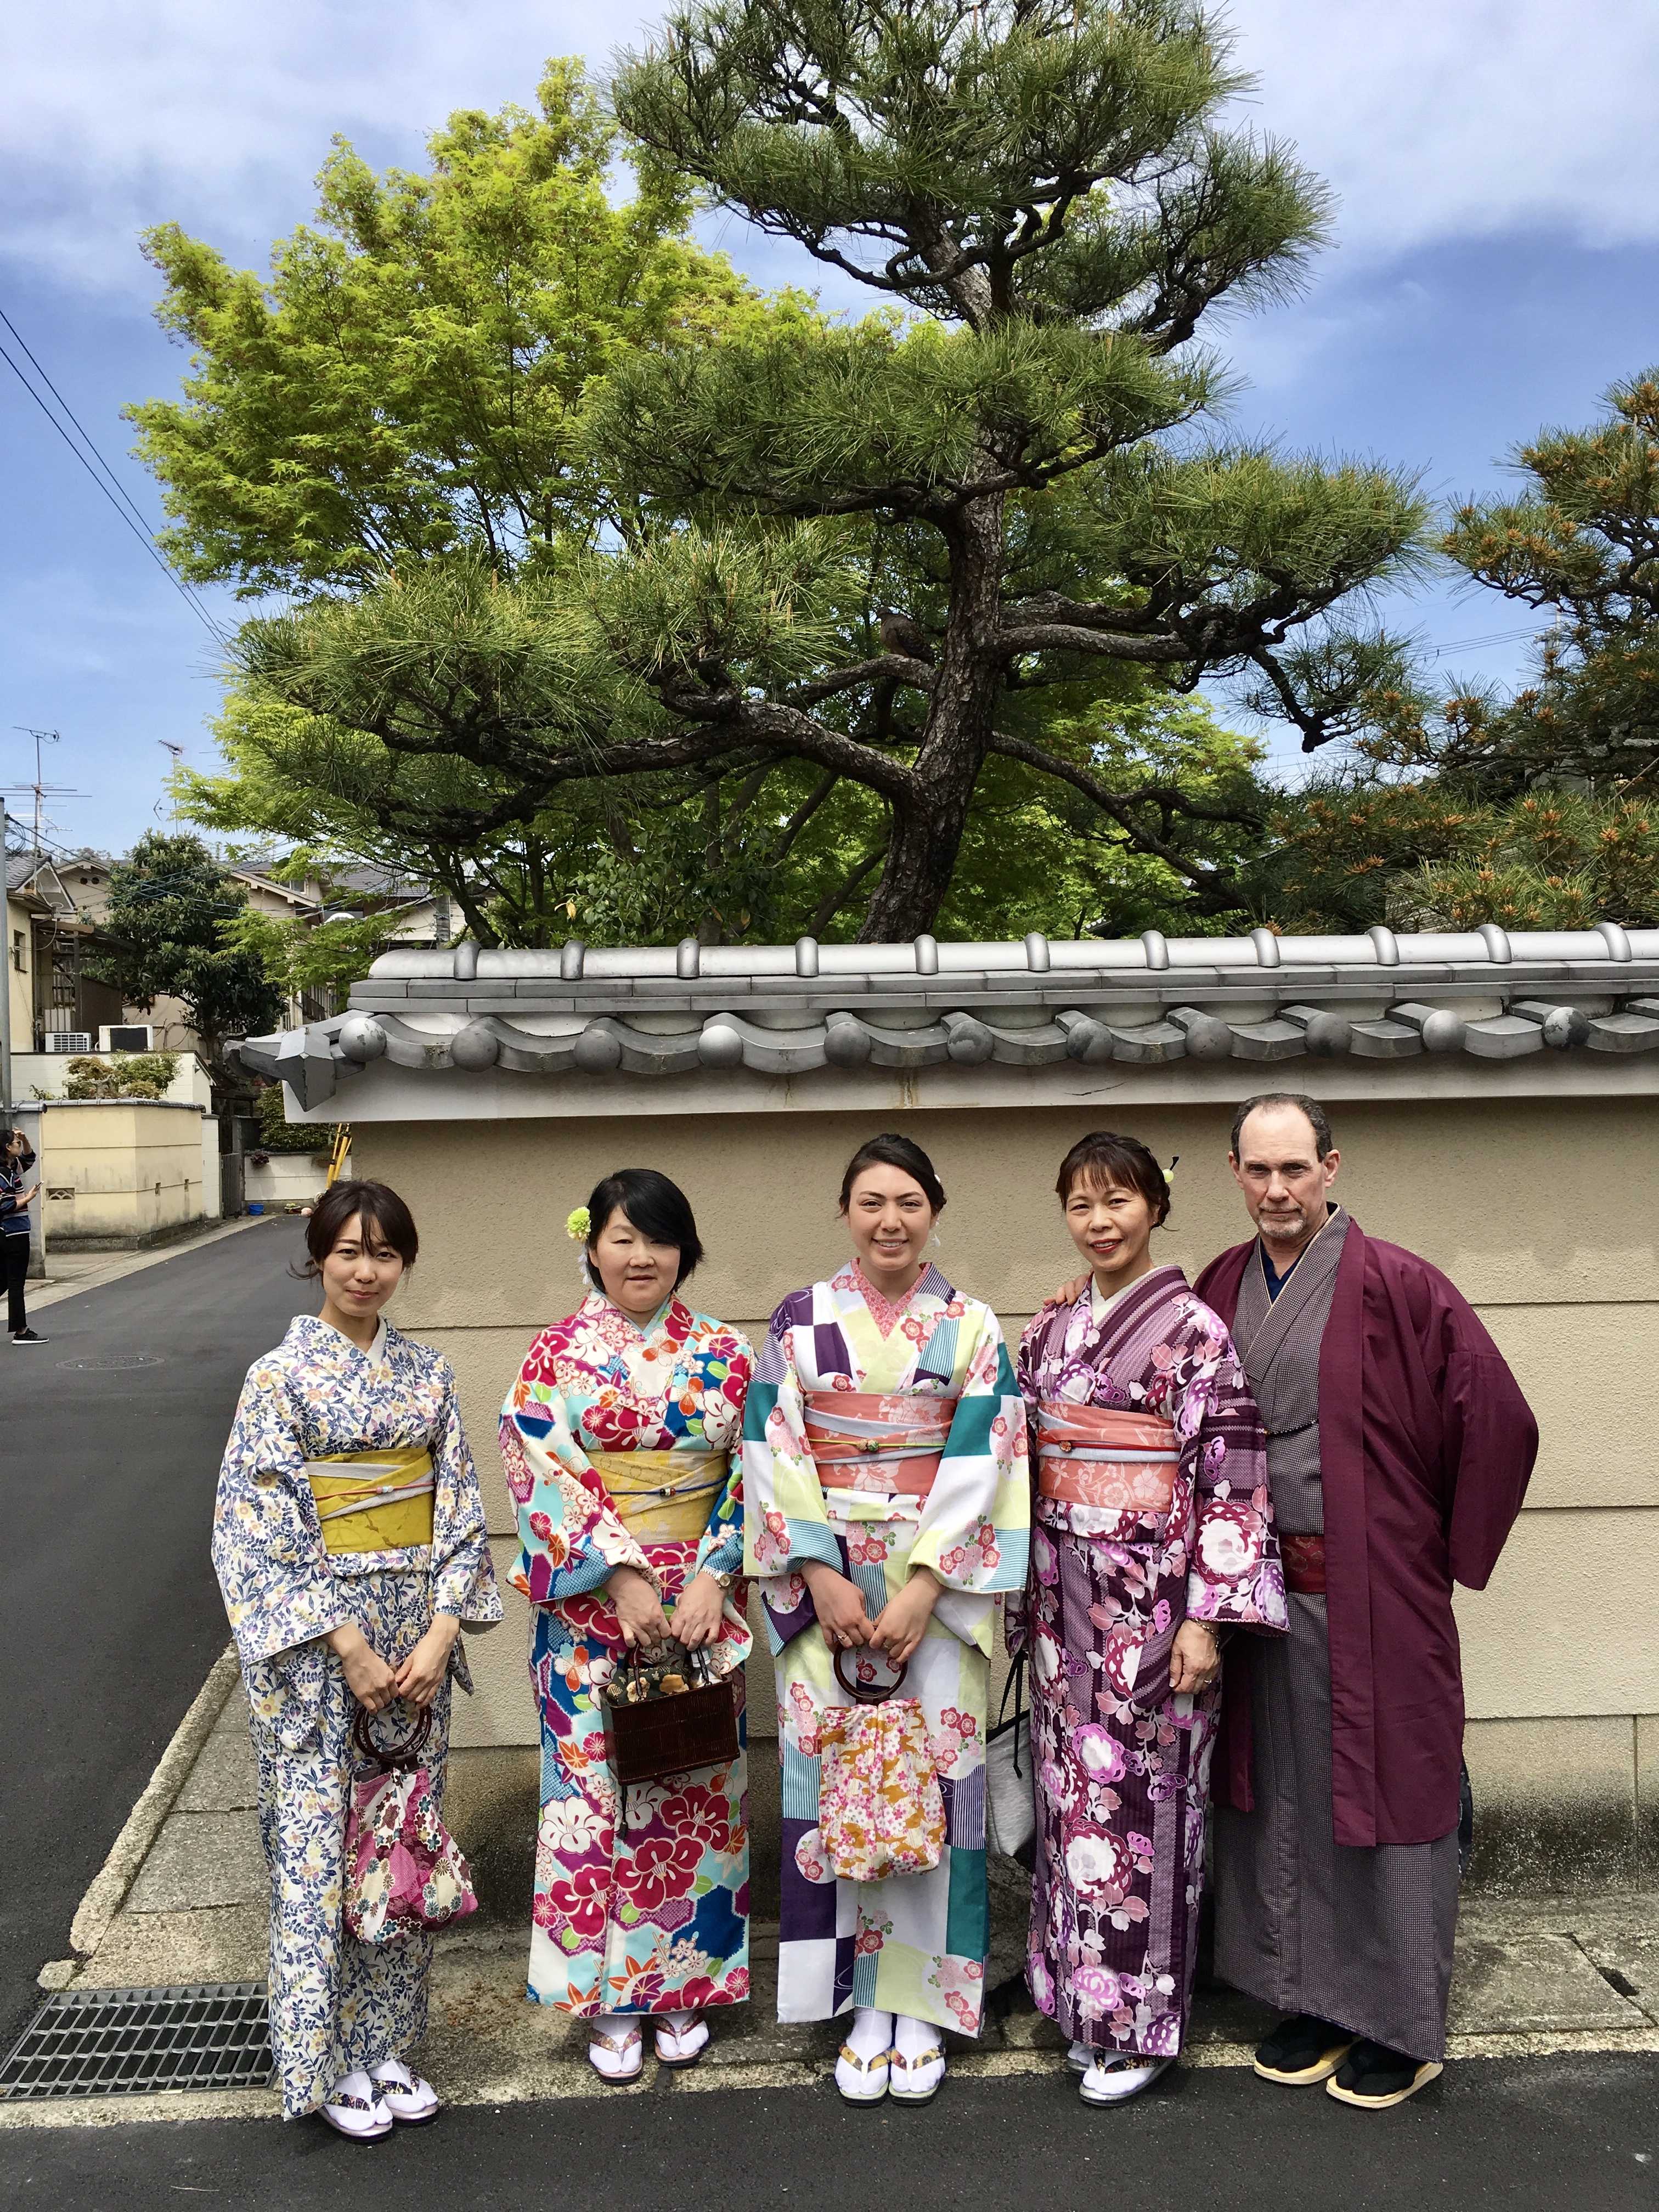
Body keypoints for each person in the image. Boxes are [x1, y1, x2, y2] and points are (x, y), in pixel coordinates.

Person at [1194, 1093, 1537, 2112]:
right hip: (1256, 1600)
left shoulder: (1399, 1283)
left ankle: (1397, 2021)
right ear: (1234, 1173)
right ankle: (1308, 1996)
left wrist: (1426, 1549)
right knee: (1280, 1801)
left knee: (1388, 1796)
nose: (1276, 1190)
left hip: (1375, 1594)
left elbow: (1498, 1419)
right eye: (1258, 1170)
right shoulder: (1216, 1284)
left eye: (1294, 1168)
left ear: (1331, 1168)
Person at [742, 1132, 1030, 2108]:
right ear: (845, 1211)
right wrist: (820, 1573)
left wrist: (923, 1586)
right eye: (871, 1202)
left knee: (935, 1792)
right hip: (825, 1594)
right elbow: (772, 1445)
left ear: (934, 1212)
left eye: (908, 1202)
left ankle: (924, 2005)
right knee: (831, 1788)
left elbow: (988, 1454)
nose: (890, 1220)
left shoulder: (971, 1325)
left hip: (930, 1597)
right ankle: (862, 2005)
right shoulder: (798, 1320)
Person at [211, 1179, 502, 2140]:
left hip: (413, 1642)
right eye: (348, 1251)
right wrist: (344, 1642)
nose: (365, 1271)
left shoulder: (429, 1375)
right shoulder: (277, 1379)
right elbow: (254, 1532)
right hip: (316, 1649)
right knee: (316, 1846)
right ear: (318, 1257)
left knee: (399, 1839)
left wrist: (442, 1632)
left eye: (384, 1253)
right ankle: (325, 2057)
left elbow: (459, 1509)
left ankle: (388, 2046)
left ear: (404, 1262)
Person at [1014, 1132, 1284, 2107]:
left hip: (1152, 1609)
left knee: (1147, 1808)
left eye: (1118, 1200)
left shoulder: (1195, 1331)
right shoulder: (1050, 1328)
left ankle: (1138, 2027)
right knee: (1069, 1807)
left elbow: (1229, 1475)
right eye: (1081, 1204)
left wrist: (1207, 1619)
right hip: (1063, 1604)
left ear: (1156, 1208)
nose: (1100, 1221)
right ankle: (1079, 2005)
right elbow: (1019, 1451)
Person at [500, 1170, 754, 2083]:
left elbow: (757, 1469)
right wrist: (619, 1571)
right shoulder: (555, 1354)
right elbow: (537, 1466)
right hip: (593, 1613)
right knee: (594, 1797)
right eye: (622, 1237)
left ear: (685, 1249)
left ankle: (682, 1984)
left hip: (700, 1608)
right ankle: (607, 1998)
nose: (641, 1256)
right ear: (593, 1247)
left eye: (658, 1238)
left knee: (692, 1785)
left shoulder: (727, 1352)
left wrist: (715, 1573)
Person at [1, 1127, 44, 1344]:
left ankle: (21, 1329)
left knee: (4, 1280)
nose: (19, 1145)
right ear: (8, 1148)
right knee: (16, 1282)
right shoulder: (5, 1175)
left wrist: (25, 1138)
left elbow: (29, 1159)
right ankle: (21, 1331)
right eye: (16, 1143)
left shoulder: (11, 1168)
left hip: (9, 1233)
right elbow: (6, 1205)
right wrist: (29, 1197)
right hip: (14, 1233)